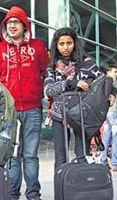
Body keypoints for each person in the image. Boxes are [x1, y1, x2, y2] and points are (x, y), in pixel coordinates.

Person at [0, 5, 50, 200]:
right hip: (8, 111)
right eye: (8, 23)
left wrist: (49, 96)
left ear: (24, 25)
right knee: (12, 154)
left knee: (30, 154)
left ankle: (33, 196)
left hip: (33, 108)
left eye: (16, 22)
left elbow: (47, 73)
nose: (12, 25)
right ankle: (12, 197)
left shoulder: (38, 47)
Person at [44, 27, 102, 170]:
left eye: (69, 43)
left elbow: (103, 80)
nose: (65, 47)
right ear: (56, 46)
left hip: (81, 115)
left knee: (82, 155)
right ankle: (62, 188)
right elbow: (49, 89)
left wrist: (112, 93)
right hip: (59, 114)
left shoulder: (87, 63)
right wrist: (72, 83)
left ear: (75, 43)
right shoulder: (52, 67)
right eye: (61, 44)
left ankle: (82, 189)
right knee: (60, 156)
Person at [99, 64, 117, 172]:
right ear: (109, 71)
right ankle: (115, 164)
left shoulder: (101, 81)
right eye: (115, 71)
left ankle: (103, 162)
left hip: (105, 113)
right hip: (115, 112)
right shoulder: (113, 81)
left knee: (106, 138)